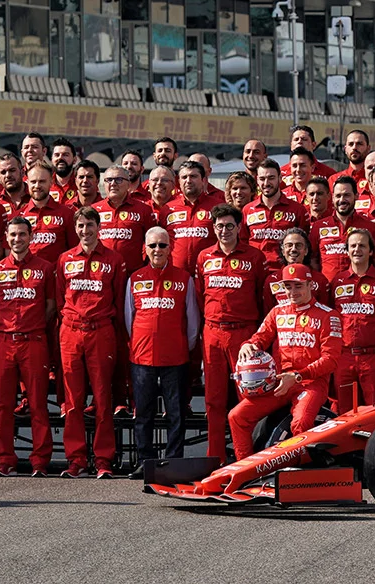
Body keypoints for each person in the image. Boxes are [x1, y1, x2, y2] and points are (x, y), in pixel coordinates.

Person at [230, 264, 343, 459]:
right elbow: (259, 338)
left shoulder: (328, 316)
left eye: (298, 286)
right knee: (237, 416)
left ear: (310, 285)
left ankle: (301, 471)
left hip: (311, 383)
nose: (292, 292)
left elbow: (330, 360)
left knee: (300, 424)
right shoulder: (278, 312)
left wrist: (298, 376)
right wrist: (248, 345)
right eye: (288, 286)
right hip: (279, 383)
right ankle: (246, 469)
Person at [194, 203, 268, 460]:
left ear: (238, 227)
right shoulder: (204, 256)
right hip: (213, 332)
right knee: (213, 399)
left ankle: (247, 458)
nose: (224, 231)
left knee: (247, 396)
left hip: (244, 334)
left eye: (229, 226)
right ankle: (215, 458)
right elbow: (199, 295)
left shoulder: (254, 256)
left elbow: (261, 297)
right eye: (219, 226)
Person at [54, 207, 123, 477]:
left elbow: (118, 299)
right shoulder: (64, 259)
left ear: (99, 227)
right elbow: (59, 298)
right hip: (71, 331)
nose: (85, 231)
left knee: (103, 398)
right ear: (75, 228)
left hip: (101, 331)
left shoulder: (114, 259)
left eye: (90, 225)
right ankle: (76, 459)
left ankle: (103, 460)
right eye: (81, 226)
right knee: (73, 400)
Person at [125, 226, 198, 473]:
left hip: (175, 358)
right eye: (153, 245)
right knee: (143, 414)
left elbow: (192, 320)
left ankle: (173, 462)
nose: (157, 249)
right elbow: (129, 317)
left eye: (162, 245)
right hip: (142, 357)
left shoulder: (184, 279)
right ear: (145, 249)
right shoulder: (135, 279)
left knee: (176, 414)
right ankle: (145, 462)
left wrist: (184, 347)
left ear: (170, 248)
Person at [0, 216, 56, 476]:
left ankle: (40, 461)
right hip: (4, 341)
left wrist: (31, 326)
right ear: (6, 238)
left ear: (31, 237)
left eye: (22, 234)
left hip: (34, 341)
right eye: (13, 235)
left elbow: (50, 307)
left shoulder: (45, 268)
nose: (17, 239)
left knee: (38, 403)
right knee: (4, 405)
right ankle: (5, 460)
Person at [329, 227, 375, 409]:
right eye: (353, 246)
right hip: (344, 356)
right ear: (347, 251)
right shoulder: (337, 281)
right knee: (345, 413)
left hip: (374, 356)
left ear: (371, 251)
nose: (357, 250)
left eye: (362, 246)